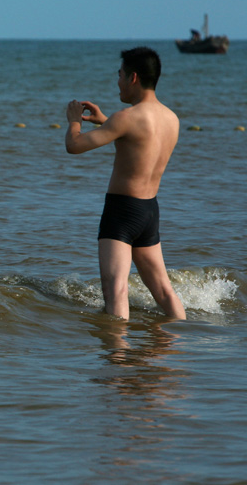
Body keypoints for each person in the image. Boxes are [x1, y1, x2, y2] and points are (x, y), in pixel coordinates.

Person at [64, 46, 186, 320]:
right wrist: (106, 121)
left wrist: (74, 121)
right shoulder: (171, 119)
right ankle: (179, 344)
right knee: (164, 290)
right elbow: (141, 143)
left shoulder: (126, 118)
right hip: (149, 212)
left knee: (115, 288)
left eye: (119, 75)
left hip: (121, 212)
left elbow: (74, 146)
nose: (116, 81)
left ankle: (118, 356)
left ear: (132, 78)